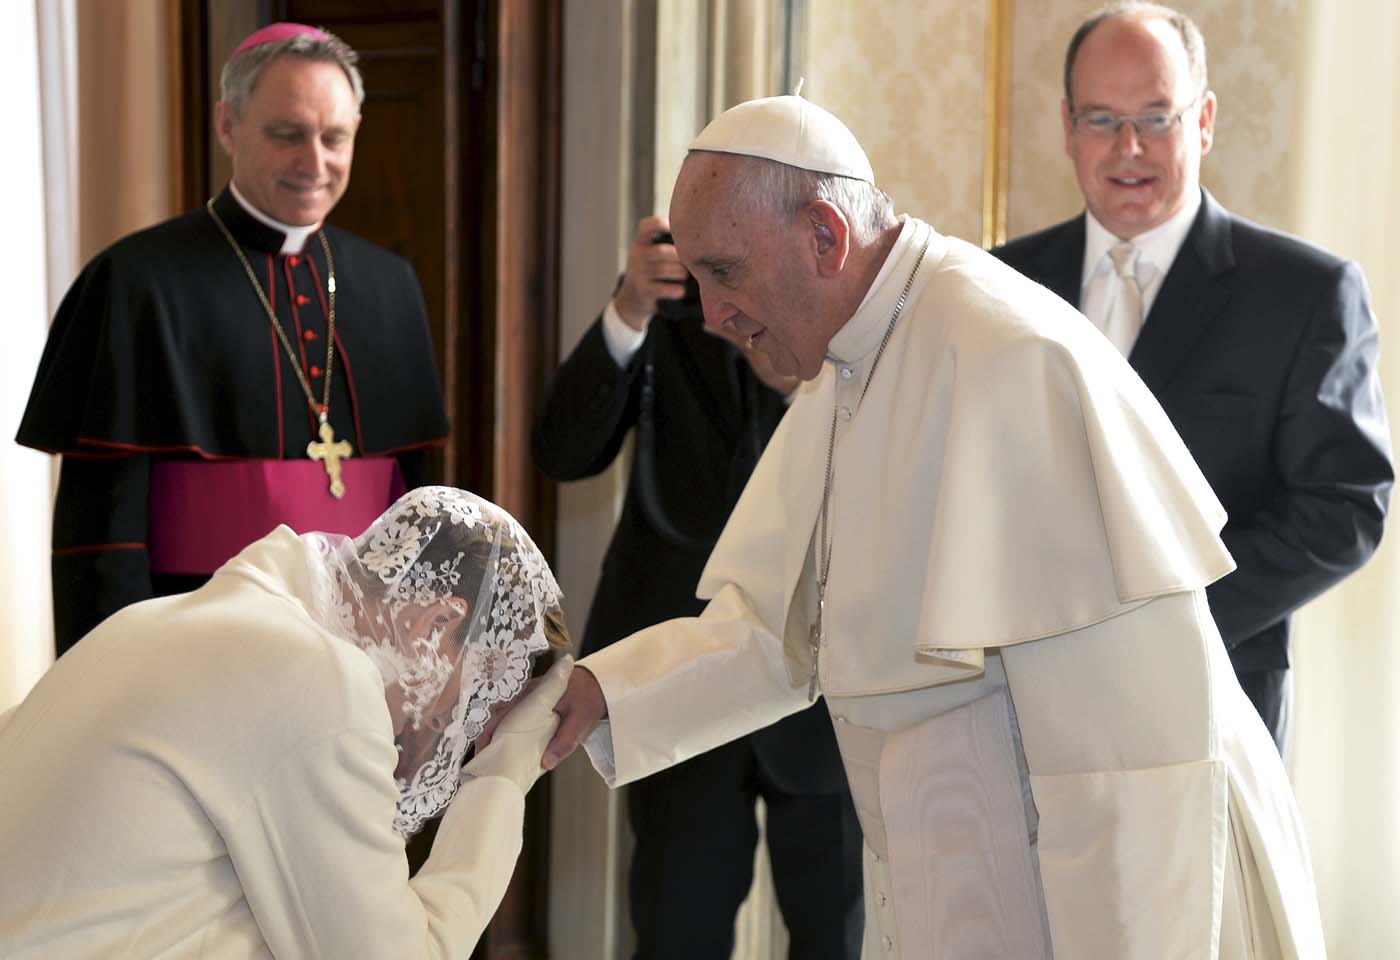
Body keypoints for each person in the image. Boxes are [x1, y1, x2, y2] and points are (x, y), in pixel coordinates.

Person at [537, 94, 1328, 958]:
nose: (713, 313)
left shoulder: (1013, 358)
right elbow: (781, 628)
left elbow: (1131, 780)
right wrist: (601, 691)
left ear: (826, 236)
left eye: (725, 272)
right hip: (950, 878)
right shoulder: (852, 353)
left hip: (1066, 899)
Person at [991, 1, 1393, 751]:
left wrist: (1168, 621)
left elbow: (1347, 504)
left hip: (1214, 707)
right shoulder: (996, 286)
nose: (1129, 148)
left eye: (1157, 117)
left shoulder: (1304, 293)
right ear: (1067, 127)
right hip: (1020, 714)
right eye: (1101, 120)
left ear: (1203, 120)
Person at [16, 22, 449, 656]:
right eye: (287, 134)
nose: (315, 162)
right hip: (196, 638)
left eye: (335, 138)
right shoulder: (136, 281)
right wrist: (114, 675)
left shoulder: (390, 283)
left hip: (362, 650)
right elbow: (101, 532)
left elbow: (417, 502)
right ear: (228, 126)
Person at [0, 487, 572, 958]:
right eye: (475, 704)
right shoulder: (317, 683)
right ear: (436, 623)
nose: (453, 733)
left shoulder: (187, 619)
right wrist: (503, 777)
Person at [532, 216, 862, 958]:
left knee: (837, 936)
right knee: (677, 926)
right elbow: (562, 450)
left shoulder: (853, 313)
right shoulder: (675, 310)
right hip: (675, 673)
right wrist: (630, 308)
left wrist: (793, 366)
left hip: (826, 685)